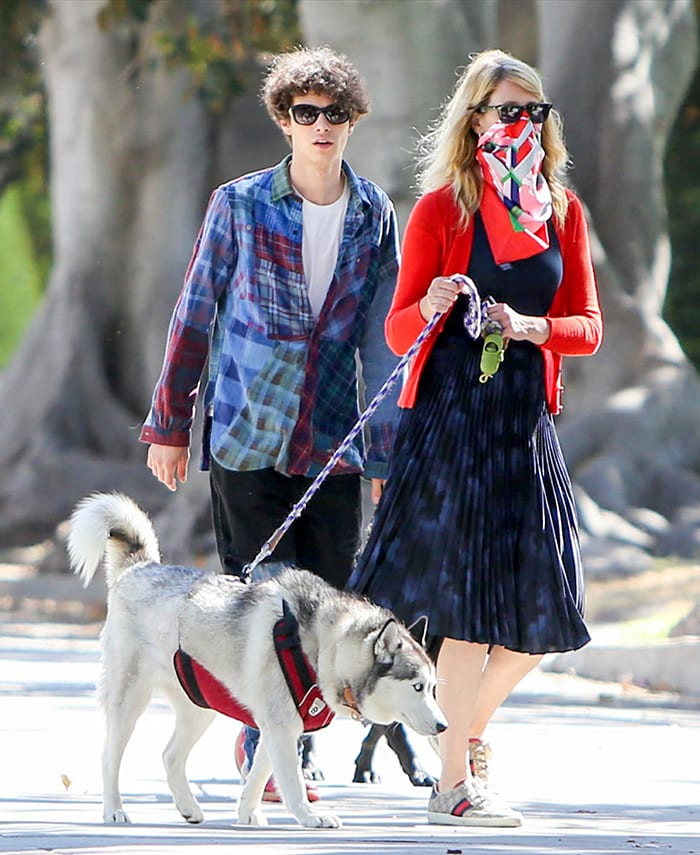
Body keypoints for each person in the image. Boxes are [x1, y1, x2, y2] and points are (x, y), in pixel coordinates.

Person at [140, 46, 404, 802]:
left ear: (352, 122)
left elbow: (380, 339)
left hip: (332, 443)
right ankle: (268, 741)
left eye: (334, 114)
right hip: (246, 433)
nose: (320, 127)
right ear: (285, 123)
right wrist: (169, 423)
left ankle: (302, 740)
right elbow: (194, 315)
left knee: (328, 597)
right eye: (304, 113)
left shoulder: (373, 213)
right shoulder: (240, 204)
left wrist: (381, 451)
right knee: (262, 597)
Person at [346, 48, 603, 827]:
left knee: (547, 607)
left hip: (523, 426)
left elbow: (588, 328)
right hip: (454, 422)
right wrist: (429, 302)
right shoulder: (441, 211)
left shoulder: (562, 210)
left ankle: (465, 738)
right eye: (504, 110)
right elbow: (395, 328)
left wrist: (531, 326)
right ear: (474, 118)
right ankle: (454, 785)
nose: (519, 123)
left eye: (533, 111)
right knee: (467, 612)